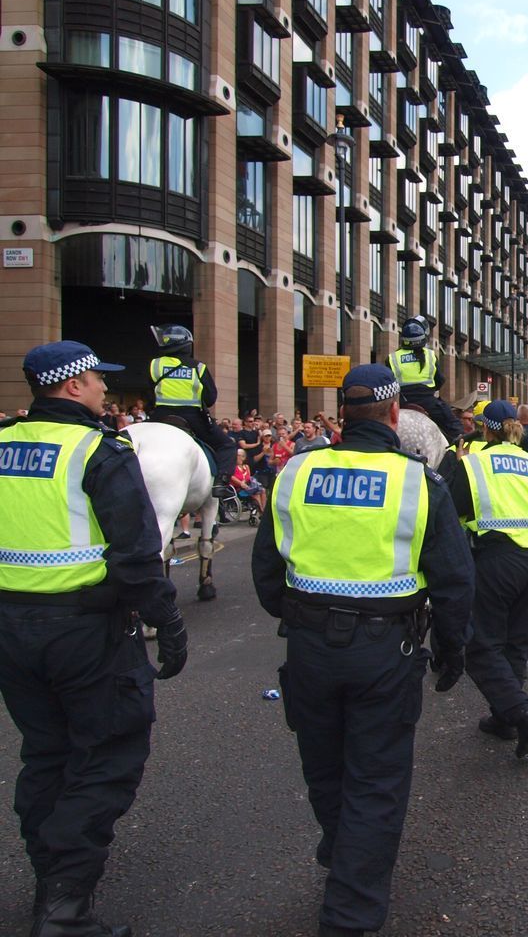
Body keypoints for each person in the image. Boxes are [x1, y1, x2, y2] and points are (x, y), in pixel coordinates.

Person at [251, 363, 474, 937]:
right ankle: (351, 910)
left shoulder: (296, 471)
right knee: (376, 774)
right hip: (385, 647)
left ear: (341, 413)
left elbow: (267, 567)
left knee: (323, 762)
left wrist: (299, 616)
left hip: (308, 642)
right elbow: (453, 580)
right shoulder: (419, 480)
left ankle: (343, 846)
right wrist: (453, 652)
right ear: (396, 413)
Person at [1, 340, 187, 937]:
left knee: (46, 754)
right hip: (84, 632)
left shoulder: (3, 444)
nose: (106, 388)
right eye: (97, 379)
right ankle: (64, 906)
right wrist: (169, 620)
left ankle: (49, 884)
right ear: (73, 385)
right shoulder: (99, 450)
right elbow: (136, 555)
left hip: (12, 630)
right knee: (106, 756)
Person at [450, 400, 528, 757]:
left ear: (485, 429)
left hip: (495, 560)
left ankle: (521, 715)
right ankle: (505, 720)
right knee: (516, 643)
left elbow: (453, 512)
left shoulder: (473, 463)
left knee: (481, 648)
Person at [148, 324, 236, 497]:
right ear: (187, 345)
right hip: (192, 418)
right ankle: (220, 483)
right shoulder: (198, 367)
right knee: (227, 445)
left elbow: (149, 391)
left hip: (160, 416)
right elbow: (210, 398)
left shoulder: (155, 365)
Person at [387, 315, 464, 443]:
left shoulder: (392, 357)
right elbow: (439, 380)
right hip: (428, 402)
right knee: (454, 426)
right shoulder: (430, 355)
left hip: (401, 401)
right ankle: (458, 453)